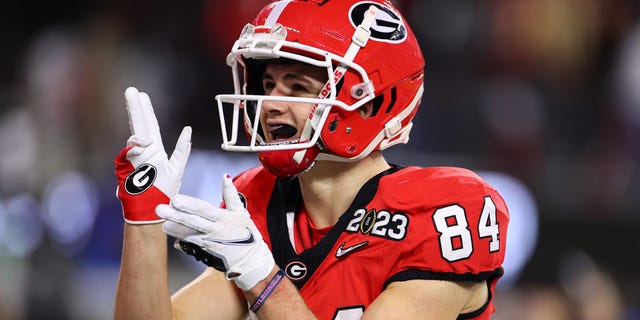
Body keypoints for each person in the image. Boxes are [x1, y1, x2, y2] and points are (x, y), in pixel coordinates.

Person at [113, 1, 510, 319]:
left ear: (370, 103)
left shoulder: (442, 210)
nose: (269, 104)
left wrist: (261, 278)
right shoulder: (260, 201)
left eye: (298, 88)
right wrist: (145, 219)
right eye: (268, 84)